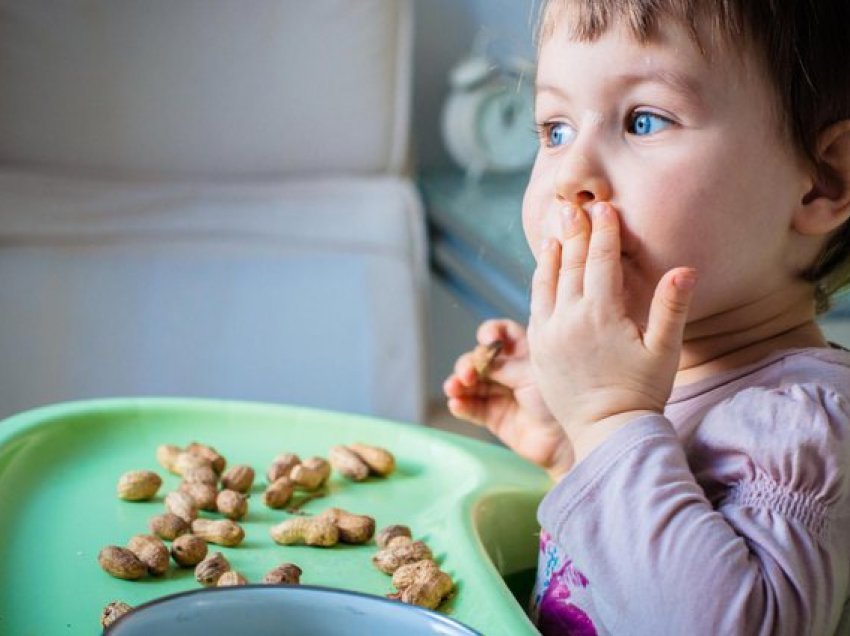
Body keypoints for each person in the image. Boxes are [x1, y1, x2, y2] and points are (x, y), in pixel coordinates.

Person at [443, 1, 850, 633]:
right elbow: (626, 578)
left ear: (825, 181)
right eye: (554, 129)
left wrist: (608, 420)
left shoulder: (802, 426)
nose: (570, 175)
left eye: (644, 120)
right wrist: (572, 446)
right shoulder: (661, 392)